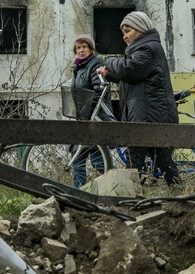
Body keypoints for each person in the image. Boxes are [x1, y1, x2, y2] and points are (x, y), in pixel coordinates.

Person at [97, 11, 181, 186]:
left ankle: (130, 197)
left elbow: (130, 70)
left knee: (133, 162)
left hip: (148, 117)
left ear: (140, 29)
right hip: (149, 116)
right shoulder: (145, 48)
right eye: (123, 33)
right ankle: (178, 191)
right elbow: (134, 79)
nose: (124, 36)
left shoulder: (147, 49)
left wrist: (110, 62)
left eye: (128, 31)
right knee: (162, 161)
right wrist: (110, 75)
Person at [69, 34, 114, 187]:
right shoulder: (78, 67)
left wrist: (89, 111)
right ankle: (79, 192)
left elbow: (99, 91)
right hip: (84, 118)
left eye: (84, 47)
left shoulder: (96, 63)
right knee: (78, 156)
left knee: (97, 160)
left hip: (95, 116)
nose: (81, 50)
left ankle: (114, 186)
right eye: (78, 47)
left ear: (91, 49)